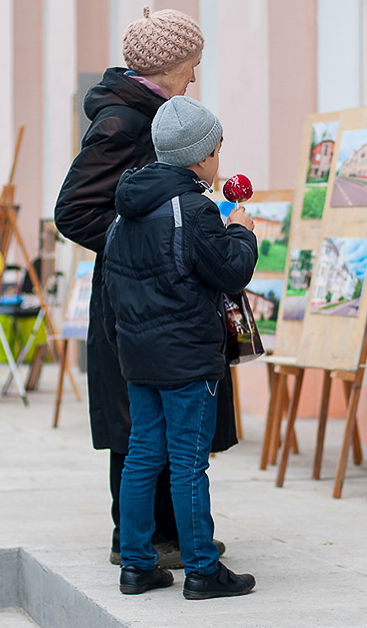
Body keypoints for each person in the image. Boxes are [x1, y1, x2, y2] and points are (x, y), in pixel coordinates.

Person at [55, 7, 236, 570]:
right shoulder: (125, 122)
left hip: (158, 295)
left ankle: (167, 537)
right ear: (171, 67)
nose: (196, 77)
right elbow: (74, 210)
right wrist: (149, 247)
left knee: (157, 423)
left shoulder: (153, 114)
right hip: (141, 296)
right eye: (193, 65)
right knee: (142, 426)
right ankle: (140, 541)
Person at [104, 96, 257, 599]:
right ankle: (202, 569)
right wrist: (241, 231)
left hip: (138, 356)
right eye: (216, 149)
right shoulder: (194, 208)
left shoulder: (124, 211)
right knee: (189, 460)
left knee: (143, 456)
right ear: (200, 156)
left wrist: (125, 346)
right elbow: (231, 272)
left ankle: (137, 565)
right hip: (187, 357)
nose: (218, 159)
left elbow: (110, 291)